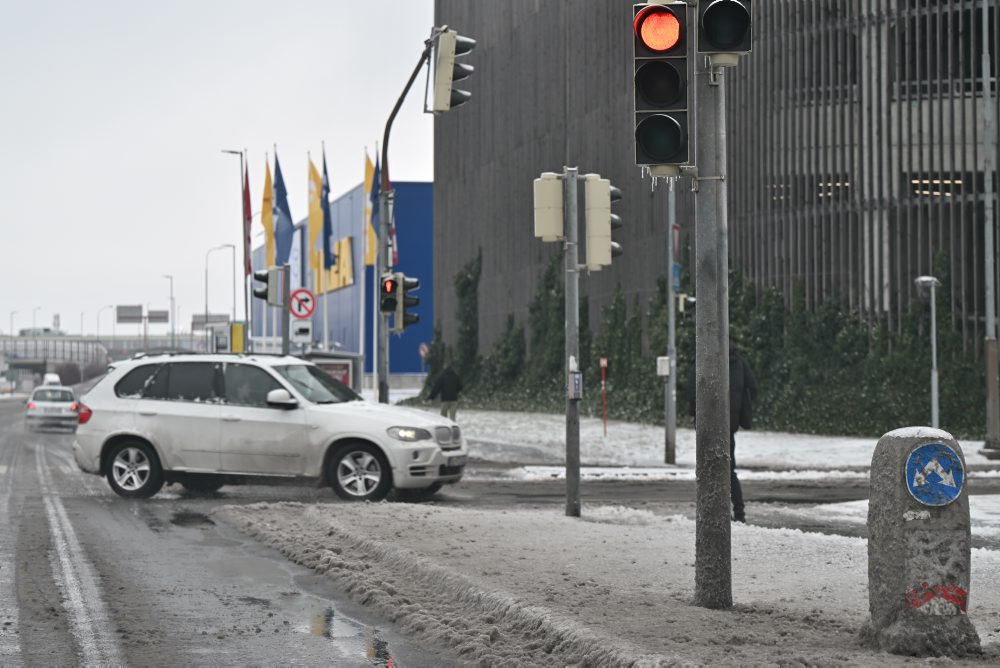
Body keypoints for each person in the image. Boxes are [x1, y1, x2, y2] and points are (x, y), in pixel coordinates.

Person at [686, 343, 758, 523]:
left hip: (707, 422)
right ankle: (739, 512)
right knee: (729, 467)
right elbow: (753, 388)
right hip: (728, 424)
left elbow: (691, 390)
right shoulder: (739, 362)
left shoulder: (703, 361)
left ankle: (709, 509)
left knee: (706, 466)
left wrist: (694, 413)